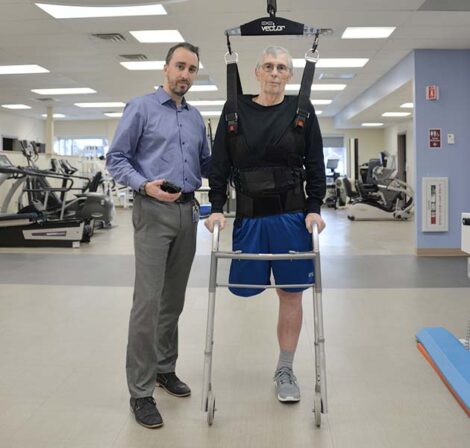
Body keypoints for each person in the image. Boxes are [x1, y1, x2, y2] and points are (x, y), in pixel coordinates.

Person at [205, 46, 326, 403]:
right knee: (242, 289)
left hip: (291, 217)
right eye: (269, 66)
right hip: (249, 218)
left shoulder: (302, 111)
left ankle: (285, 369)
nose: (275, 73)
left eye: (282, 68)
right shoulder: (235, 110)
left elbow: (316, 164)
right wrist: (215, 208)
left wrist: (315, 207)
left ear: (290, 75)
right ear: (257, 71)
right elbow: (220, 165)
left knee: (290, 294)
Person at [106, 42, 211, 429]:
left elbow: (207, 163)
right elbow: (116, 158)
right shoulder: (141, 107)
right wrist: (144, 185)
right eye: (180, 66)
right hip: (152, 211)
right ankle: (141, 392)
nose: (185, 74)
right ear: (166, 68)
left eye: (192, 69)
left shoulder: (197, 118)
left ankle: (165, 369)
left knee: (173, 301)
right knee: (147, 304)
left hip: (188, 211)